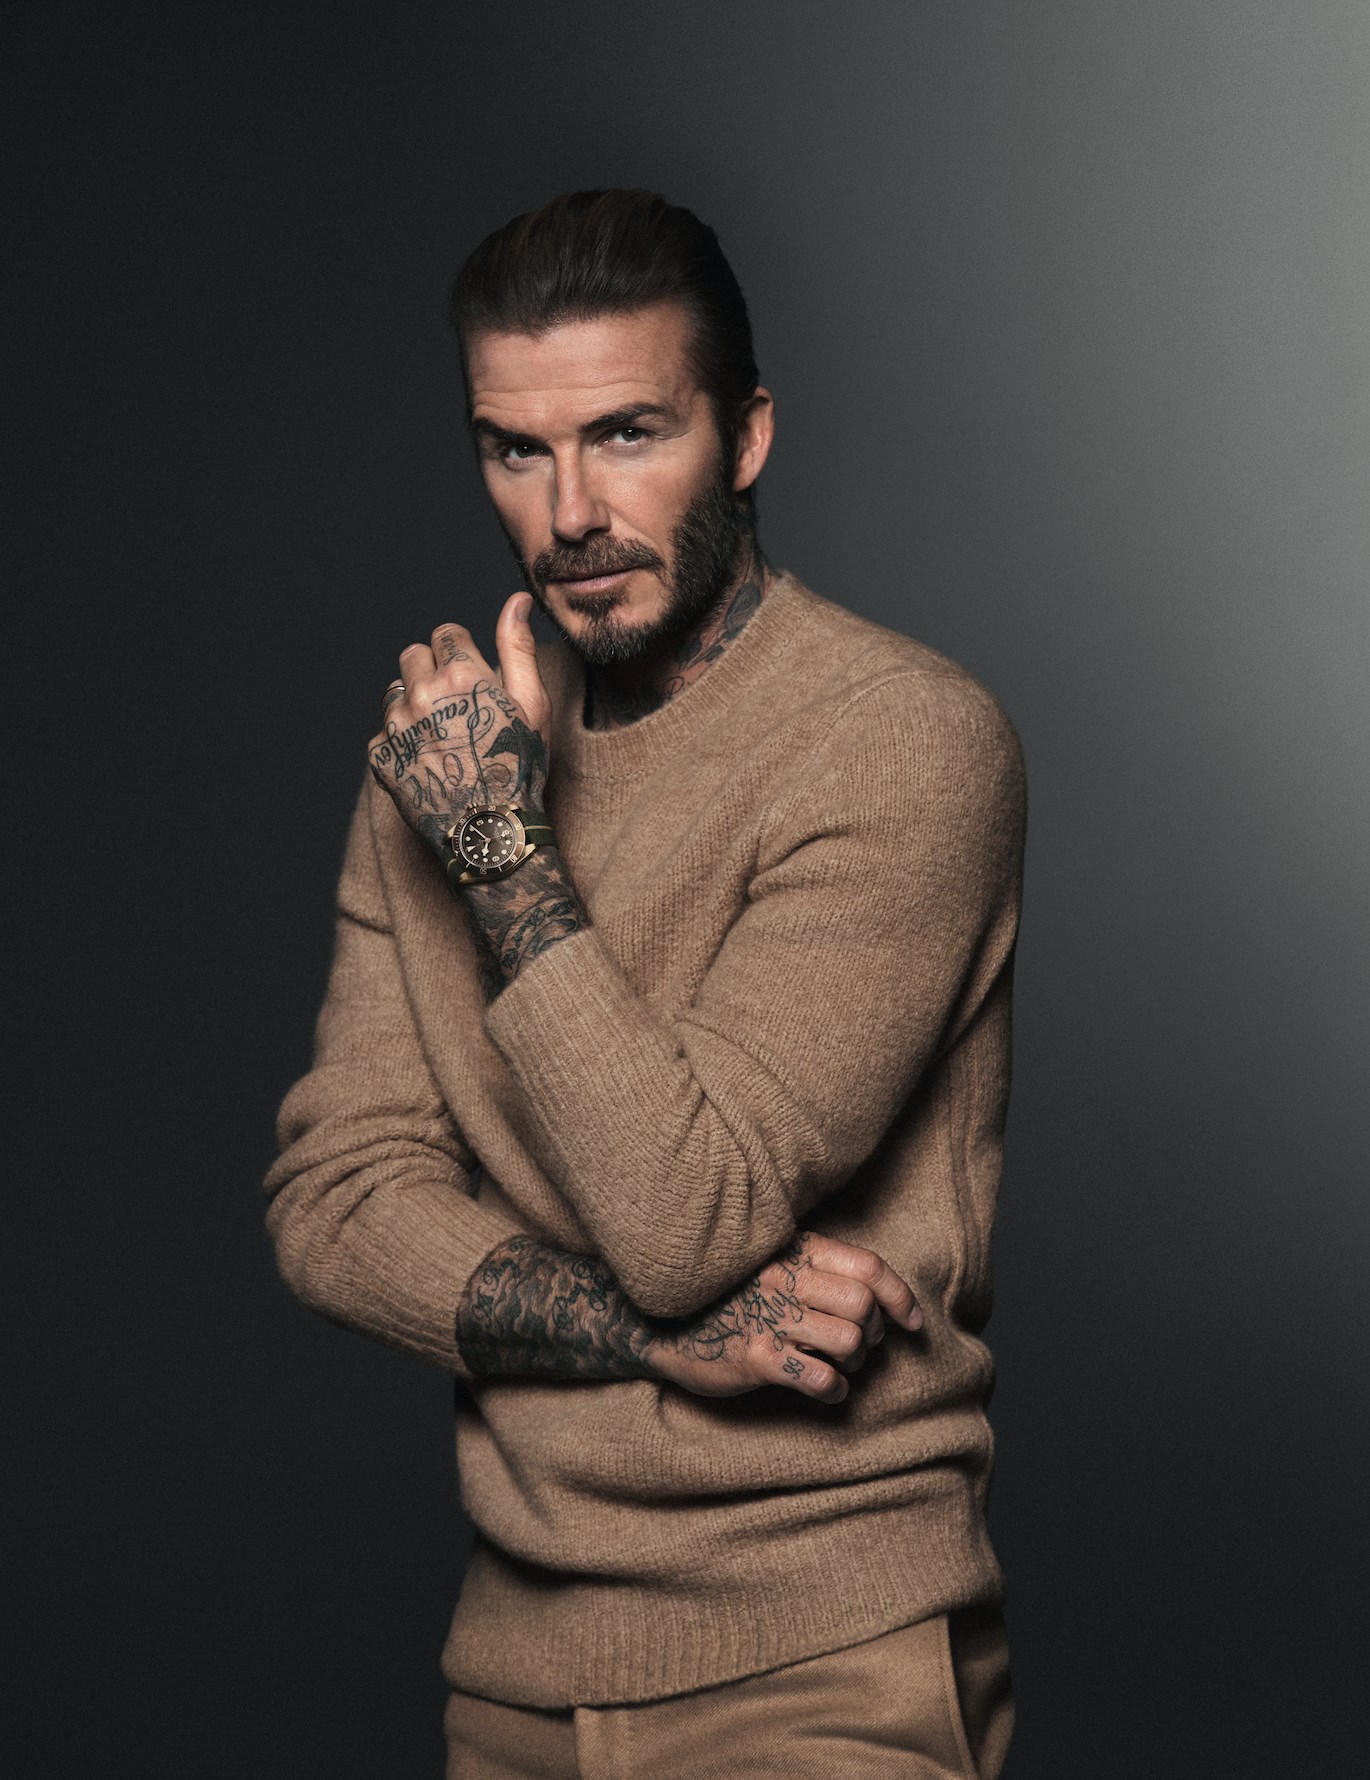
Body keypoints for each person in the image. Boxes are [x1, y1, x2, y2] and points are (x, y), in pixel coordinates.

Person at [265, 189, 1026, 1778]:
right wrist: (641, 1337)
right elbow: (335, 1208)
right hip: (512, 1682)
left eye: (627, 434)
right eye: (515, 450)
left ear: (744, 436)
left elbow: (691, 1217)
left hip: (823, 1670)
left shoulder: (897, 741)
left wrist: (498, 850)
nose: (570, 514)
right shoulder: (443, 768)